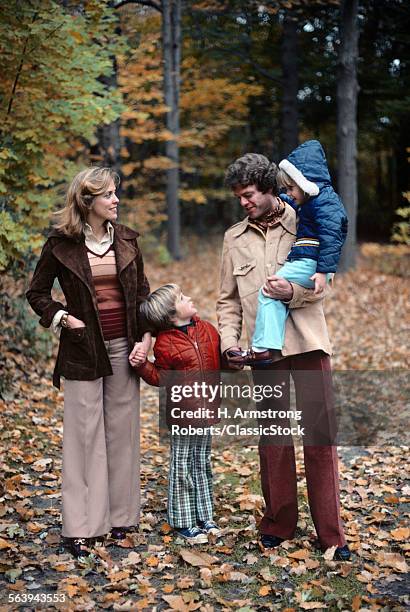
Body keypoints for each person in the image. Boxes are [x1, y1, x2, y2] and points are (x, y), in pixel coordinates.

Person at [217, 152, 351, 561]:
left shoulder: (303, 217)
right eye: (239, 196)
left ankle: (331, 535)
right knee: (274, 440)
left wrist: (292, 293)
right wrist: (228, 344)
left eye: (250, 194)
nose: (244, 202)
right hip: (264, 354)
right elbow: (227, 302)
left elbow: (324, 281)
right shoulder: (233, 239)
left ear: (271, 189)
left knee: (319, 439)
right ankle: (279, 524)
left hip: (309, 344)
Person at [26, 167, 151, 558]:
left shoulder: (128, 240)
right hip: (82, 351)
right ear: (87, 201)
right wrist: (64, 317)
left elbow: (144, 298)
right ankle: (80, 527)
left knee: (122, 434)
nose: (116, 200)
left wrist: (146, 341)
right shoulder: (61, 245)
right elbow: (37, 293)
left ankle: (120, 520)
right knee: (84, 438)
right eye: (109, 194)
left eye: (116, 193)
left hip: (124, 350)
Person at [130, 284, 221, 544]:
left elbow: (219, 361)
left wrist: (236, 359)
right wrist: (142, 366)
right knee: (182, 465)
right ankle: (182, 521)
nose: (189, 297)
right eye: (182, 298)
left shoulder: (208, 331)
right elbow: (160, 377)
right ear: (171, 315)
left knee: (202, 463)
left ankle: (205, 516)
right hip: (183, 414)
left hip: (207, 411)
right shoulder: (166, 344)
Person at [250, 140, 348, 361]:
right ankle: (269, 344)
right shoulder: (314, 201)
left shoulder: (326, 205)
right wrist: (279, 198)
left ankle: (263, 347)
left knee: (268, 289)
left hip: (310, 262)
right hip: (309, 261)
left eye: (290, 188)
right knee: (272, 291)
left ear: (305, 183)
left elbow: (332, 237)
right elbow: (294, 203)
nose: (289, 193)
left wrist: (323, 271)